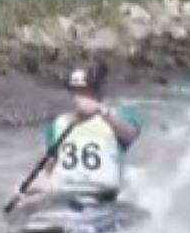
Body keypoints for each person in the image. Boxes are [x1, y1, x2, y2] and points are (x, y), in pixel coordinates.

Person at [31, 64, 142, 202]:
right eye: (75, 91)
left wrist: (102, 112)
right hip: (66, 196)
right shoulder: (59, 123)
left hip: (104, 197)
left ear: (97, 91)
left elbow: (130, 135)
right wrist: (38, 183)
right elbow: (50, 164)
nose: (79, 97)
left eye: (85, 91)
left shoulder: (119, 115)